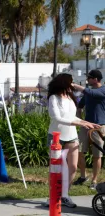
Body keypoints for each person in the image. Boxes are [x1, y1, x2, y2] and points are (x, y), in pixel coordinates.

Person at [46, 73, 99, 208]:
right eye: (71, 81)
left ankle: (65, 195)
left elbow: (73, 117)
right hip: (56, 137)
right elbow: (57, 118)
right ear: (64, 82)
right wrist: (81, 124)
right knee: (55, 169)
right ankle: (52, 197)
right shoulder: (54, 98)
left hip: (71, 136)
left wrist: (88, 123)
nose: (73, 84)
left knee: (73, 167)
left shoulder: (70, 98)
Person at [72, 69, 105, 189]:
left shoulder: (102, 90)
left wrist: (75, 86)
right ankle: (82, 176)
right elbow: (80, 106)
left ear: (95, 79)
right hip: (86, 126)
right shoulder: (88, 93)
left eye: (89, 78)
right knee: (80, 151)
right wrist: (80, 120)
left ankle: (94, 180)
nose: (87, 80)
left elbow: (91, 94)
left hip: (99, 127)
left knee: (97, 155)